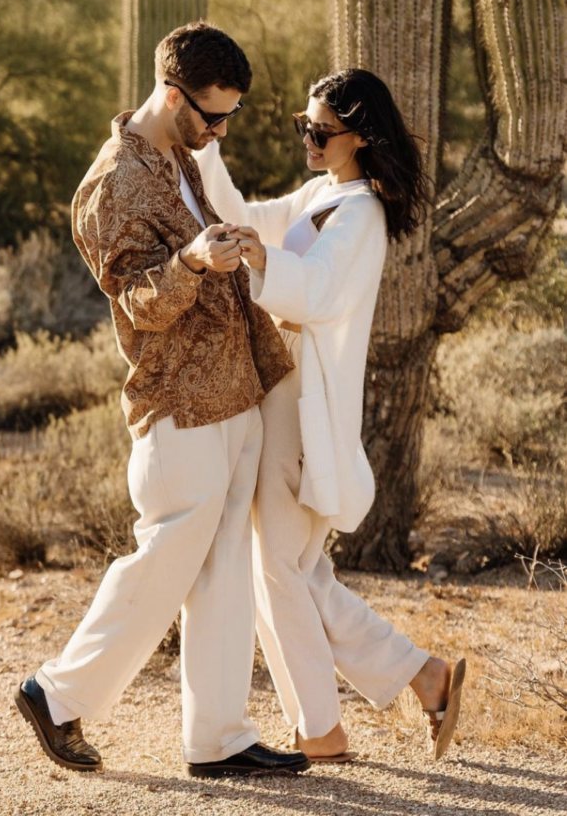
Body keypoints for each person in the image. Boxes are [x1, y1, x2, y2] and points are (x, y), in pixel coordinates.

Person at [13, 21, 311, 779]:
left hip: (234, 387)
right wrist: (190, 260)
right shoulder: (111, 182)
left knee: (221, 572)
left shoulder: (182, 155)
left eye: (229, 117)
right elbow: (135, 302)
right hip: (177, 401)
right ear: (172, 94)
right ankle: (56, 691)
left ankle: (218, 737)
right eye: (211, 114)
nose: (219, 130)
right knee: (165, 561)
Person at [194, 68, 466, 764]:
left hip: (303, 407)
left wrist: (262, 260)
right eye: (303, 126)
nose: (308, 140)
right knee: (295, 569)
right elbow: (249, 218)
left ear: (358, 137)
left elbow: (314, 295)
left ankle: (324, 727)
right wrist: (204, 148)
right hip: (285, 396)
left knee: (281, 568)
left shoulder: (360, 214)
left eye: (322, 131)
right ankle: (410, 679)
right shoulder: (322, 195)